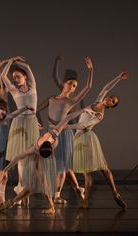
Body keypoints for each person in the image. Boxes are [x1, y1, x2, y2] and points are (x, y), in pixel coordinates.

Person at [0, 108, 86, 215]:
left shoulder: (54, 134)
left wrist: (84, 110)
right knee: (37, 184)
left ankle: (13, 202)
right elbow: (17, 157)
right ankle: (48, 207)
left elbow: (68, 117)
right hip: (35, 159)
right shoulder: (34, 149)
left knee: (35, 185)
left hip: (47, 159)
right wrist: (5, 170)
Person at [37, 57, 93, 204]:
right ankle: (73, 189)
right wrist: (39, 123)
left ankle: (57, 194)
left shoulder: (70, 101)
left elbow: (87, 88)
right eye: (70, 84)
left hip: (64, 134)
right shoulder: (51, 98)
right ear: (64, 83)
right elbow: (36, 110)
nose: (72, 87)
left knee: (62, 165)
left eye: (74, 86)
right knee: (52, 164)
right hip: (50, 133)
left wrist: (91, 70)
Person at [68, 72, 128, 209]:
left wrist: (68, 126)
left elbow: (83, 125)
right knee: (87, 174)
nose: (110, 99)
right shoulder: (97, 101)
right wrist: (118, 77)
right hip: (78, 139)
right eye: (111, 98)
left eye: (113, 102)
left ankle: (115, 193)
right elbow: (106, 88)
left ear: (111, 107)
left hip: (87, 139)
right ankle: (85, 201)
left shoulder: (100, 115)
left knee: (103, 168)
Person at [1, 57, 40, 205]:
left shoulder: (33, 87)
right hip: (19, 123)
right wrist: (10, 61)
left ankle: (22, 186)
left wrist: (17, 61)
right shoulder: (13, 90)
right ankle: (21, 185)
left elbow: (28, 67)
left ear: (24, 77)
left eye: (18, 76)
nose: (15, 79)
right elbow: (3, 76)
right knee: (20, 156)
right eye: (14, 78)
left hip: (32, 122)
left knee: (30, 156)